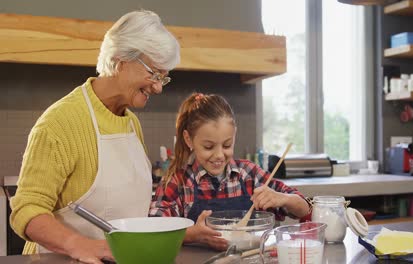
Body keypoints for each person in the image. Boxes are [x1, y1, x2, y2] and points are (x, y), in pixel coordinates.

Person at [10, 10, 180, 264]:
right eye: (154, 74)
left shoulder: (132, 123)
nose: (157, 87)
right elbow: (26, 209)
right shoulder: (59, 123)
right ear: (120, 59)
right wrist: (78, 245)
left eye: (163, 78)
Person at [149, 93, 311, 251]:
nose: (219, 155)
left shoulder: (249, 174)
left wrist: (283, 198)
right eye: (208, 147)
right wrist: (191, 235)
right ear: (188, 139)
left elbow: (305, 210)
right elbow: (153, 230)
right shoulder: (179, 181)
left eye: (227, 145)